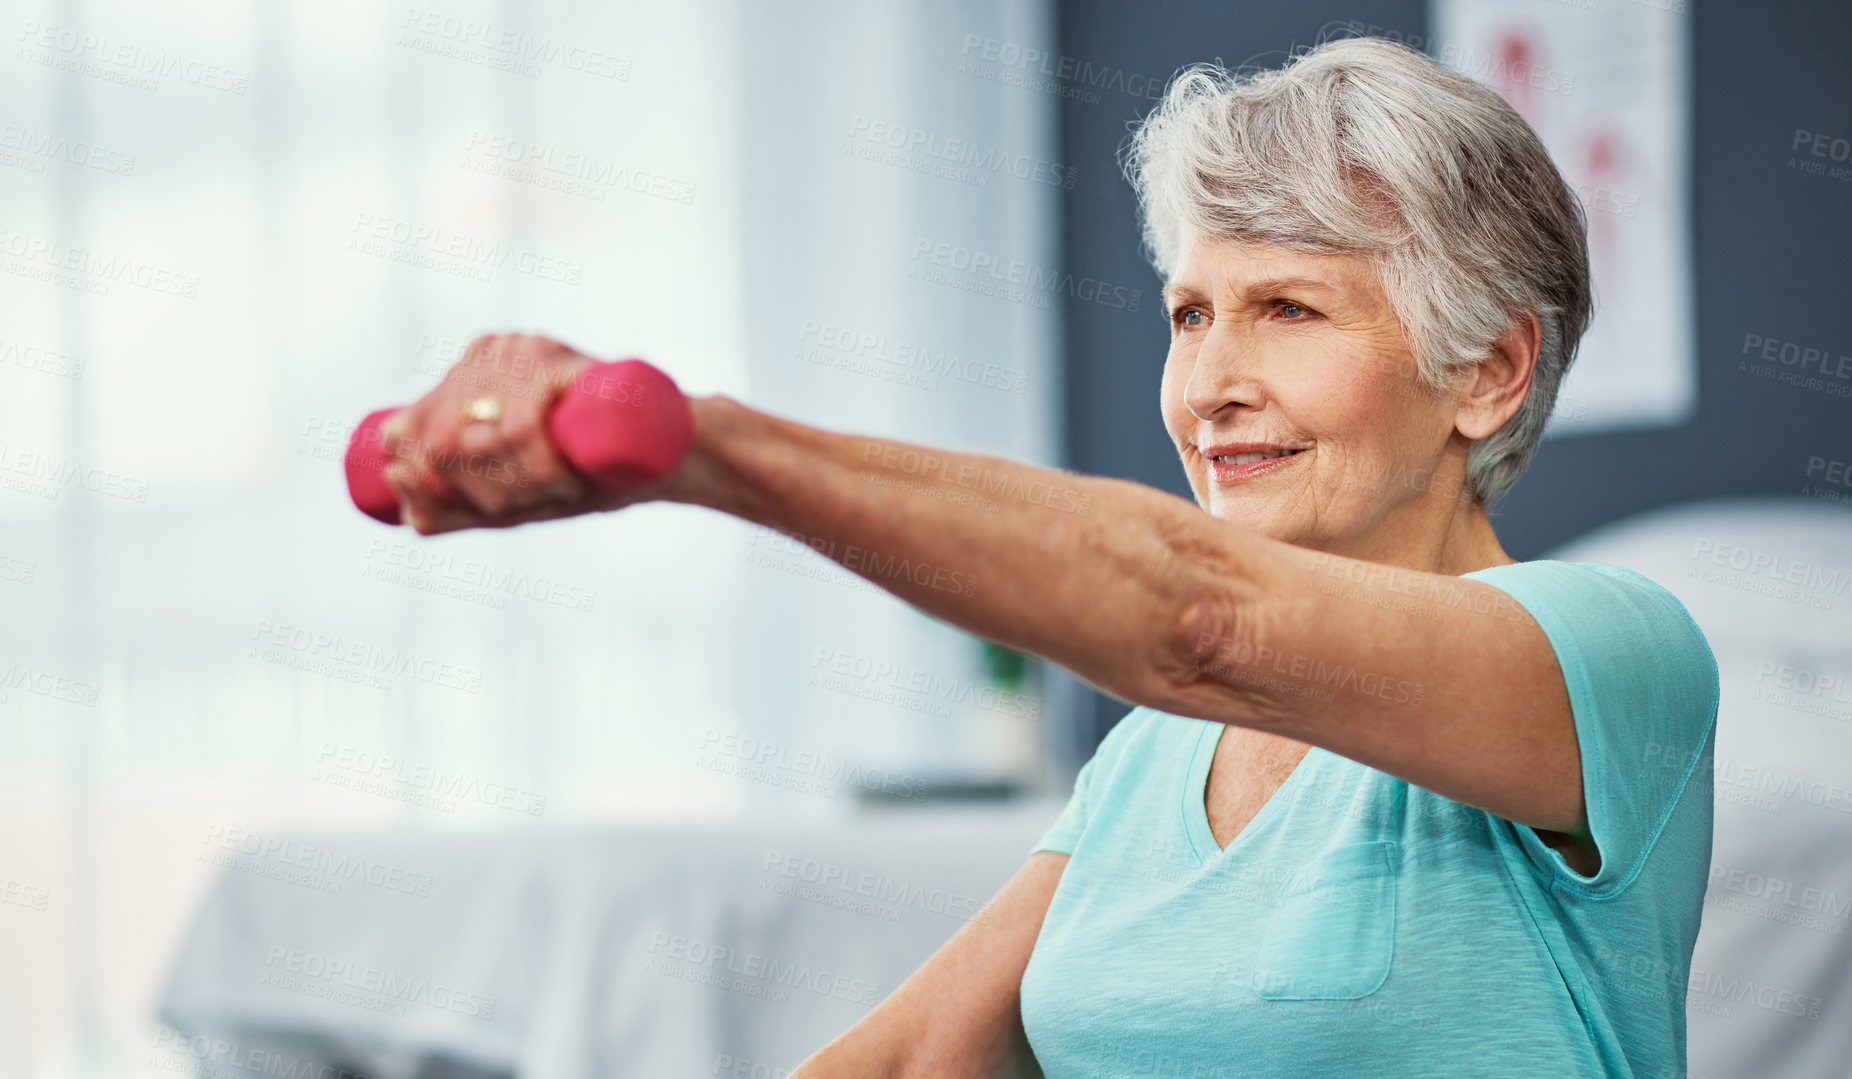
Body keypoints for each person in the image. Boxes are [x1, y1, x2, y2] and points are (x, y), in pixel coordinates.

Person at [373, 36, 1718, 1079]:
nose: (1210, 385)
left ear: (1487, 371)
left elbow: (1197, 614)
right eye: (1192, 315)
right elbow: (907, 1061)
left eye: (1288, 310)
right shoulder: (1159, 754)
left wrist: (700, 450)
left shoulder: (1612, 658)